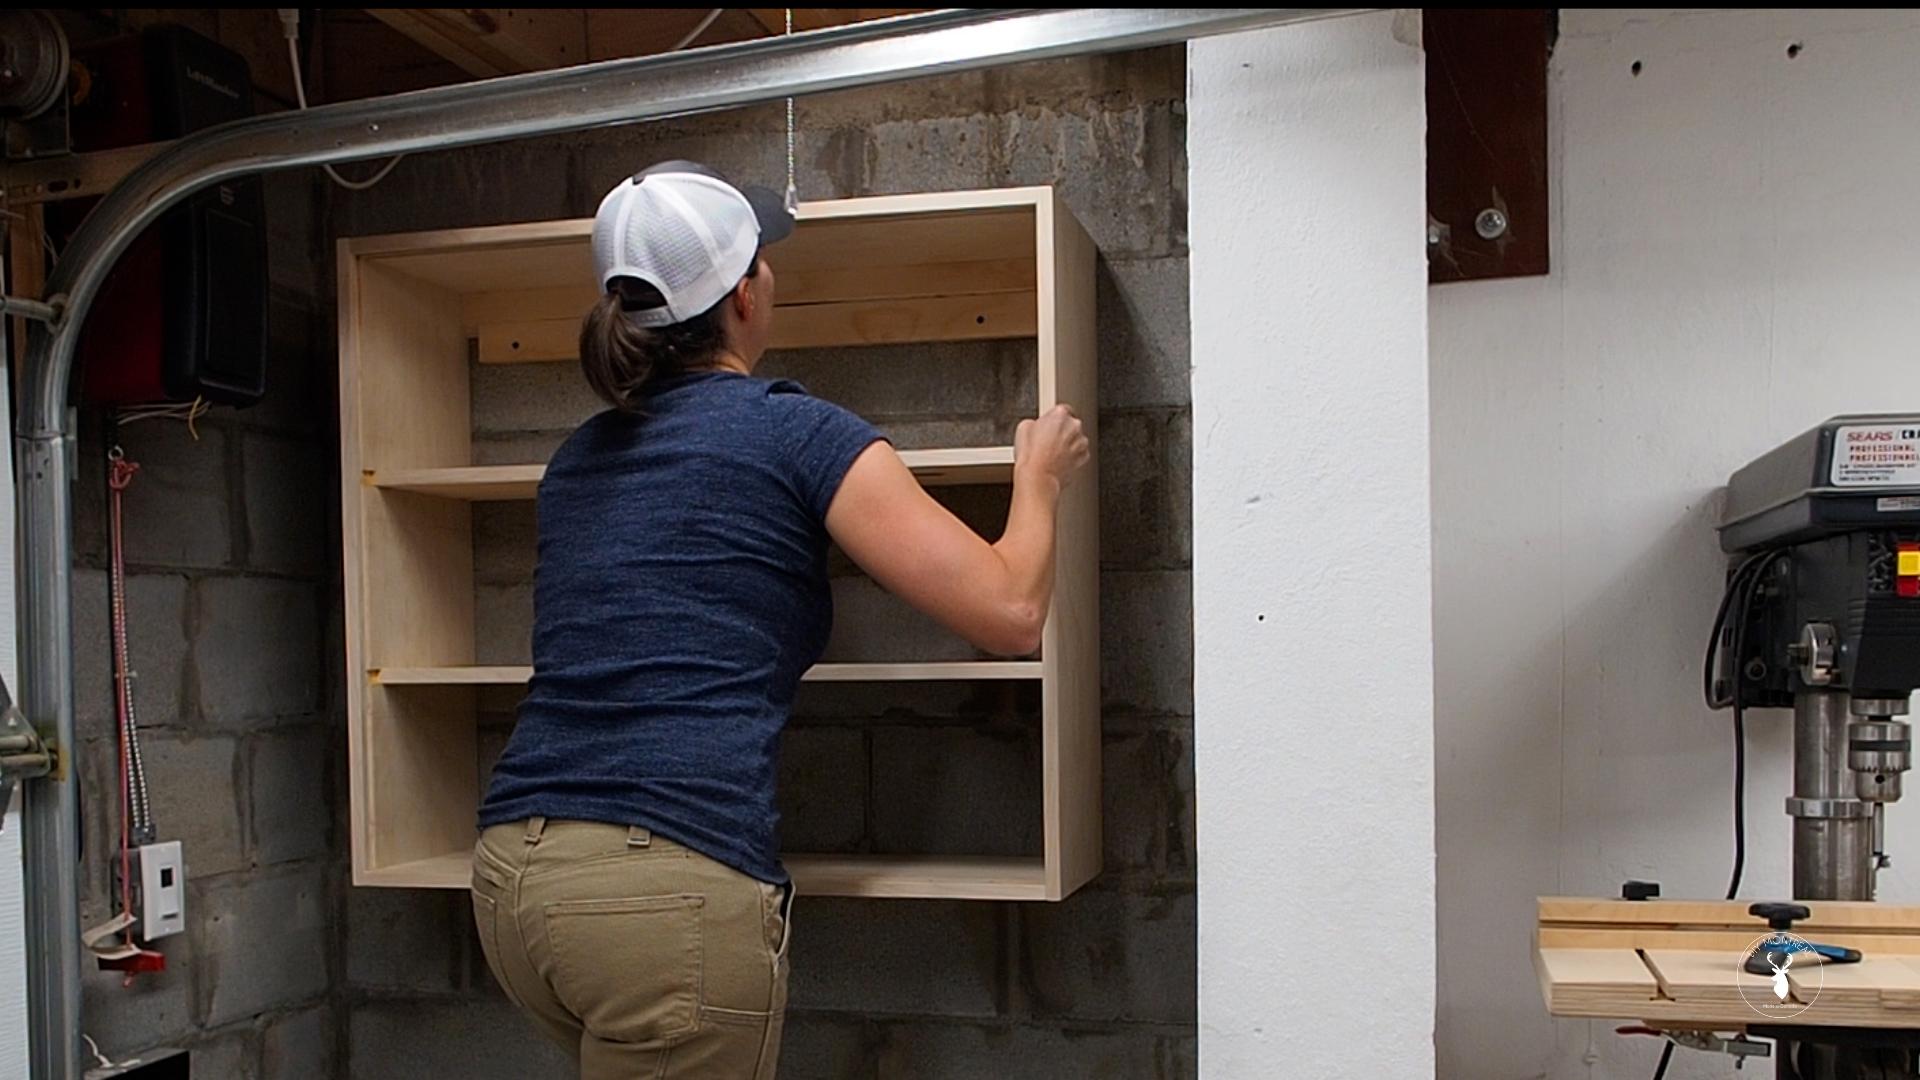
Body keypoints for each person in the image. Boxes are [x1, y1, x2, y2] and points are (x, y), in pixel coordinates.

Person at [469, 160, 1089, 1080]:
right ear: (747, 297)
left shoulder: (577, 458)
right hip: (661, 888)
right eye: (762, 257)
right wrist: (1036, 481)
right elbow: (1008, 613)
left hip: (513, 880)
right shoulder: (794, 431)